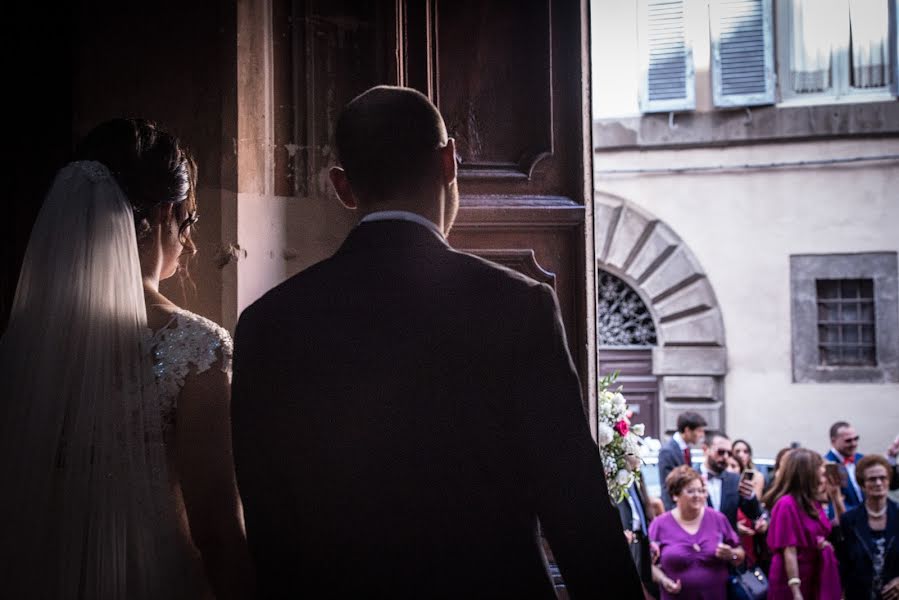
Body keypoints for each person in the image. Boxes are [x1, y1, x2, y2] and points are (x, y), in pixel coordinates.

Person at [230, 86, 643, 599]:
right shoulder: (517, 306)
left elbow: (270, 528)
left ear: (342, 186)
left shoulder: (267, 323)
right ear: (449, 162)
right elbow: (576, 509)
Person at [0, 118, 253, 599]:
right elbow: (217, 530)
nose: (189, 240)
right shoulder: (196, 348)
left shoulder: (22, 344)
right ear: (163, 214)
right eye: (188, 221)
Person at [649, 465, 744, 599]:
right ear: (675, 495)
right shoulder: (660, 524)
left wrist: (731, 554)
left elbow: (740, 554)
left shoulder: (717, 518)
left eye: (701, 491)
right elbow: (648, 565)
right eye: (691, 491)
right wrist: (663, 580)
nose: (697, 496)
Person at [764, 448, 841, 600]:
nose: (823, 473)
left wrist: (836, 497)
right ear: (807, 472)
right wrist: (795, 590)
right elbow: (789, 550)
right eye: (820, 468)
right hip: (791, 577)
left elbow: (834, 526)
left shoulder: (813, 501)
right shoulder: (786, 504)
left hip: (814, 571)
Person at [837, 454, 899, 600]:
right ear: (862, 484)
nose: (878, 483)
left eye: (883, 478)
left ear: (889, 481)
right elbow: (844, 562)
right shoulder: (849, 520)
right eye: (872, 479)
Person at [699, 430, 762, 531]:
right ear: (705, 449)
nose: (725, 457)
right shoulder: (692, 477)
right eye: (720, 452)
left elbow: (754, 514)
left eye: (729, 453)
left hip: (729, 544)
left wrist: (750, 496)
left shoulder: (735, 480)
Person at [618, 474, 660, 598]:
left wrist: (649, 538)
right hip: (629, 538)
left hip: (642, 536)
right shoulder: (617, 472)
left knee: (646, 580)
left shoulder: (634, 474)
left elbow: (642, 505)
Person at [658, 411, 707, 510]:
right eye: (699, 431)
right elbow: (667, 487)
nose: (702, 435)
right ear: (687, 430)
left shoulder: (686, 449)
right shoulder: (668, 451)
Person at [824, 421, 865, 512]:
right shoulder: (827, 465)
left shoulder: (862, 459)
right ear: (833, 441)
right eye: (848, 440)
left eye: (856, 439)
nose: (854, 443)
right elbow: (830, 501)